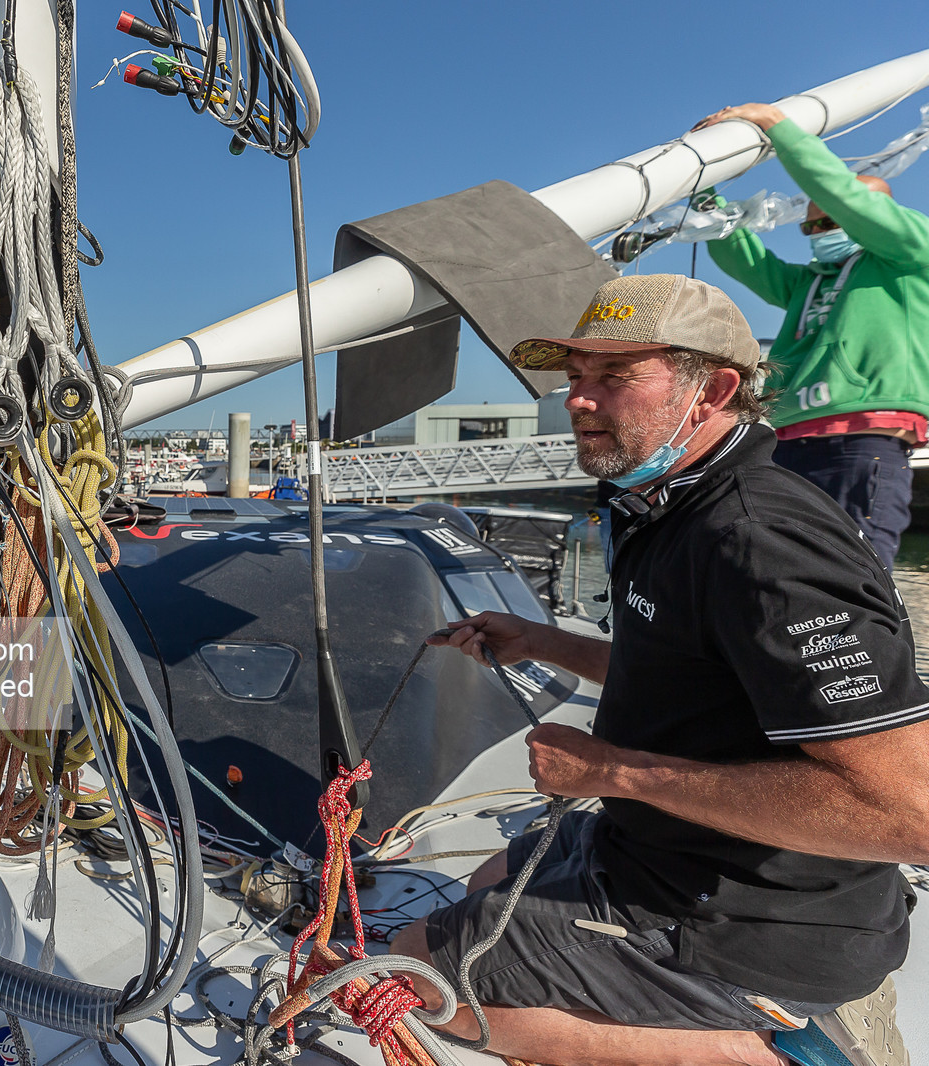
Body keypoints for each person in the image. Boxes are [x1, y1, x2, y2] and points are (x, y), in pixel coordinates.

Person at [383, 275, 926, 1066]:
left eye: (615, 376)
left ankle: (755, 1052)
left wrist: (617, 773)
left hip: (747, 925)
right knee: (483, 879)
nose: (578, 399)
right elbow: (695, 675)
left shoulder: (757, 541)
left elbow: (907, 813)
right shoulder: (670, 510)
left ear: (715, 390)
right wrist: (542, 641)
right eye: (574, 377)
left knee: (415, 972)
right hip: (665, 854)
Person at [697, 102, 929, 570]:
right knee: (777, 571)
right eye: (809, 225)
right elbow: (747, 261)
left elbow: (846, 195)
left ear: (876, 214)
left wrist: (778, 127)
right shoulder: (810, 281)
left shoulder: (911, 253)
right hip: (784, 442)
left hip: (862, 440)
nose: (816, 233)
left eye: (829, 221)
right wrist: (704, 195)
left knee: (853, 575)